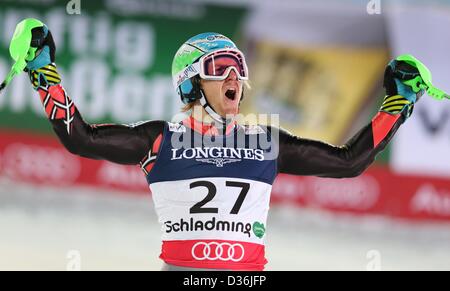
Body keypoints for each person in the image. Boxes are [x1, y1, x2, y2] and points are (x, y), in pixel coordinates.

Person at [25, 26, 423, 271]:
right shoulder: (158, 139)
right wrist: (43, 69)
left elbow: (348, 163)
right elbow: (80, 138)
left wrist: (397, 103)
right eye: (219, 68)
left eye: (238, 67)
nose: (234, 76)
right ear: (191, 83)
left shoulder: (267, 141)